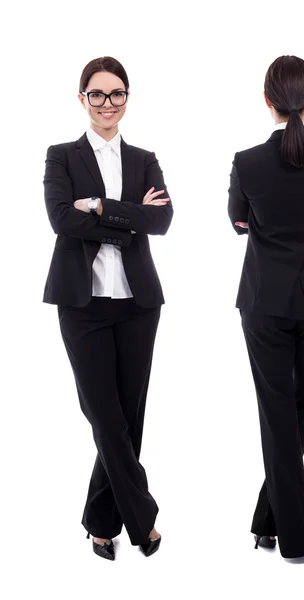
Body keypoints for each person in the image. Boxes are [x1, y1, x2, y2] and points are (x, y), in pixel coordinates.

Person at [43, 56, 173, 560]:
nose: (106, 103)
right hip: (83, 304)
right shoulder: (61, 156)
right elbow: (60, 220)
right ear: (82, 99)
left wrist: (97, 207)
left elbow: (162, 222)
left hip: (139, 303)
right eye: (96, 94)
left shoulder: (144, 158)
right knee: (104, 415)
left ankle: (101, 522)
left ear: (127, 98)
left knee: (128, 416)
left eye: (116, 93)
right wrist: (129, 218)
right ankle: (142, 519)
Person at [228, 55, 304, 560]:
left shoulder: (248, 162)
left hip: (265, 299)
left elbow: (237, 221)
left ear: (267, 100)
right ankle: (297, 537)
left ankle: (268, 515)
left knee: (282, 412)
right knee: (302, 403)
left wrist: (264, 226)